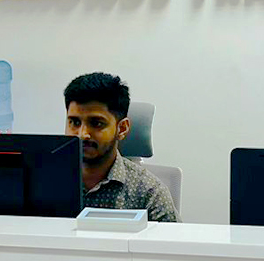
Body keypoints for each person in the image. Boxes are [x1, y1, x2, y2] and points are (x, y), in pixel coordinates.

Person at [64, 72, 179, 222]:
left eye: (97, 123)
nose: (83, 134)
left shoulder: (149, 194)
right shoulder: (44, 180)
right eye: (75, 122)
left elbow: (170, 238)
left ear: (122, 128)